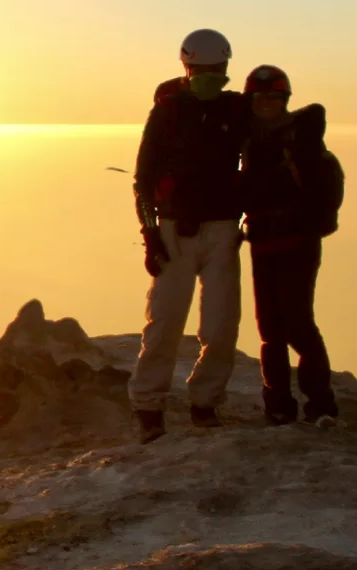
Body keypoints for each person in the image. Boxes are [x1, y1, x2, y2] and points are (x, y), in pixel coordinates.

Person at [128, 28, 252, 443]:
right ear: (187, 67)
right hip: (174, 232)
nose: (209, 76)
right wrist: (150, 236)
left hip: (221, 232)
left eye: (216, 70)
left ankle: (205, 402)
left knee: (221, 327)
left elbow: (260, 155)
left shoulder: (236, 111)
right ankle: (149, 407)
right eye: (202, 70)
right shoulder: (169, 112)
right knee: (164, 325)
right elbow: (143, 179)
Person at [240, 64, 341, 427]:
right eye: (259, 97)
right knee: (270, 328)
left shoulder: (300, 140)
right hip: (264, 240)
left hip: (296, 241)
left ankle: (320, 404)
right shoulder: (251, 139)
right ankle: (280, 405)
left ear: (284, 100)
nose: (265, 103)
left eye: (273, 97)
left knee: (297, 324)